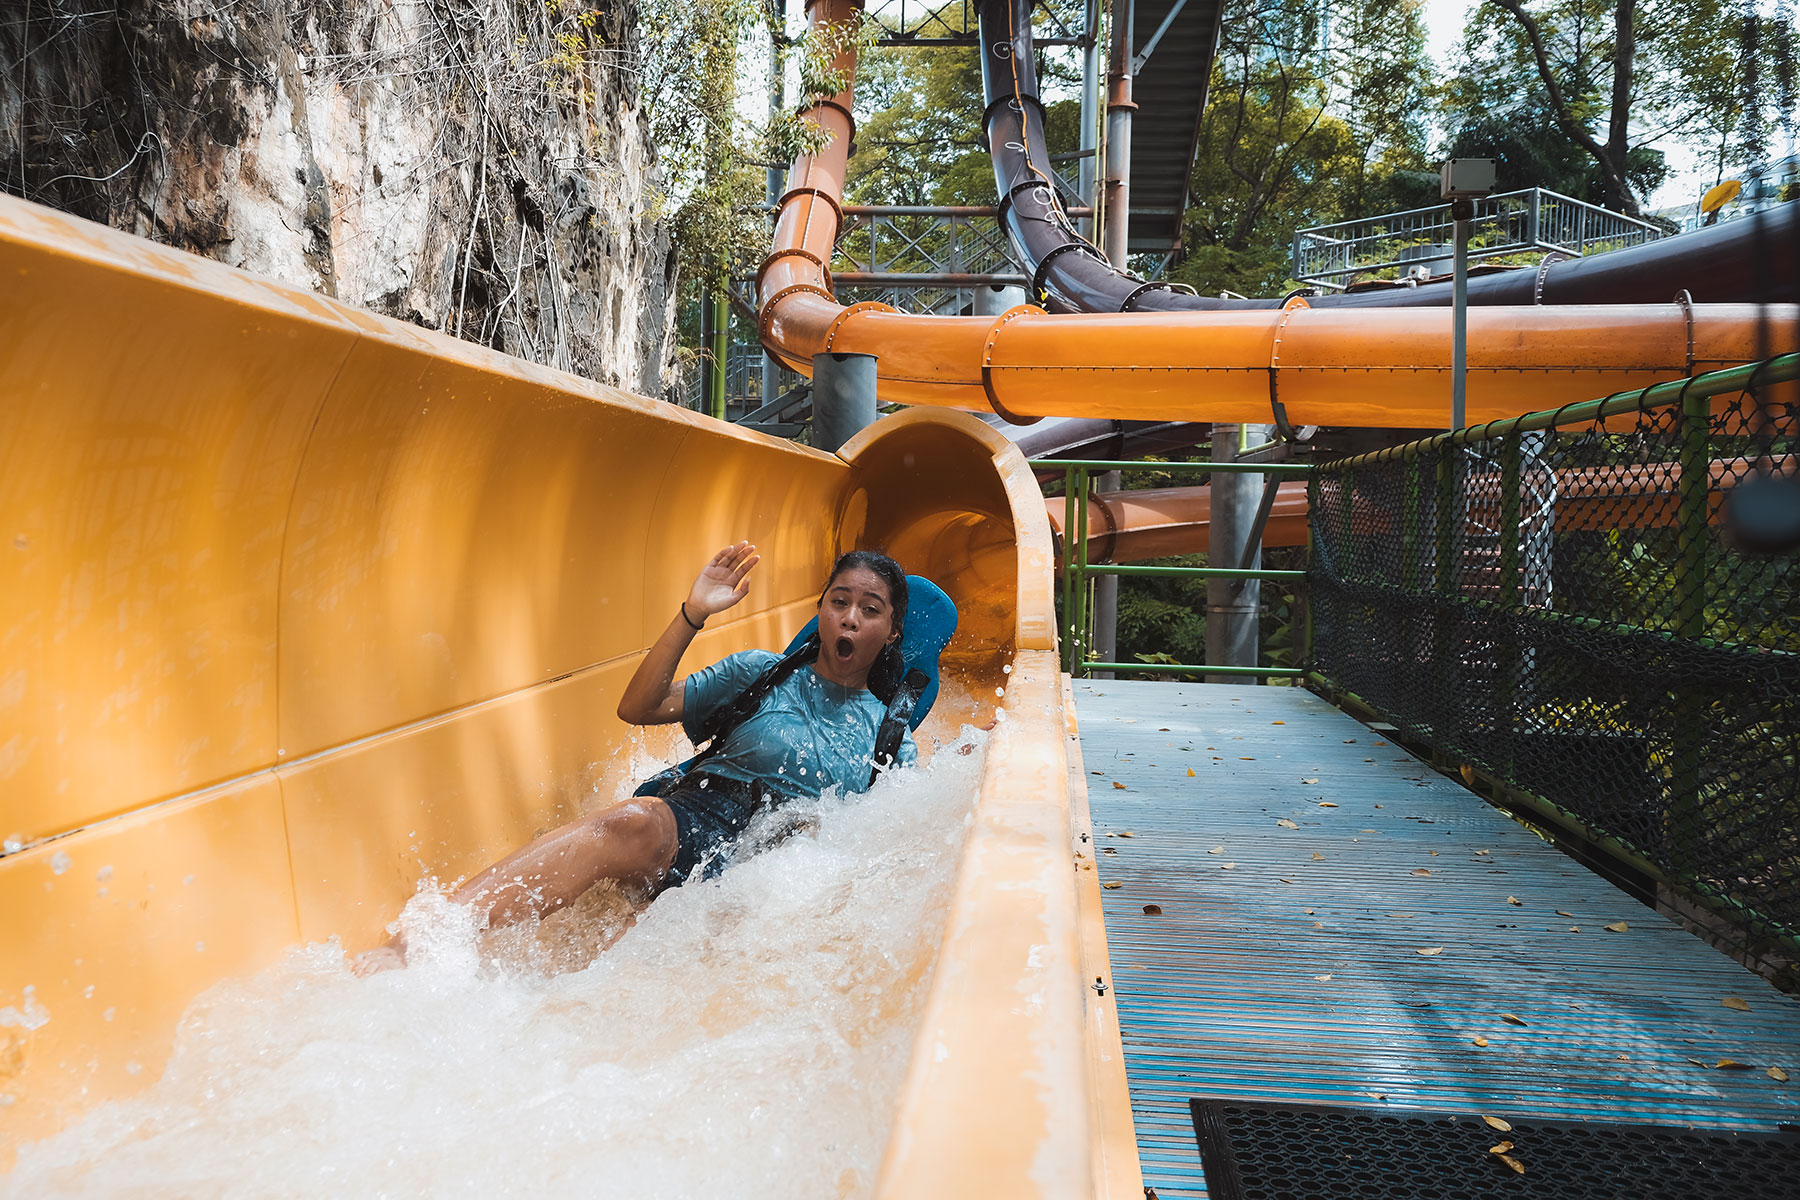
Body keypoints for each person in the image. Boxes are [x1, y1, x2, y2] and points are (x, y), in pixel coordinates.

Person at [355, 542, 918, 973]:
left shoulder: (889, 735)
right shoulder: (761, 673)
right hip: (701, 818)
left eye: (869, 610)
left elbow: (906, 832)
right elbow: (639, 706)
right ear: (819, 609)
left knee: (629, 957)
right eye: (838, 601)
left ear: (891, 632)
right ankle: (416, 945)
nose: (849, 618)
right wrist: (693, 613)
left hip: (774, 872)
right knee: (631, 820)